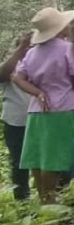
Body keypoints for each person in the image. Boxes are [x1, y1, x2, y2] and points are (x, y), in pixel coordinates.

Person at [12, 9, 74, 204]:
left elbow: (18, 78)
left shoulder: (31, 53)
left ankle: (42, 198)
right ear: (61, 28)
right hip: (63, 107)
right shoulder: (69, 49)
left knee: (37, 155)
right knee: (53, 156)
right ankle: (50, 199)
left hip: (36, 110)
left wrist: (37, 92)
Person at [1, 33, 33, 200]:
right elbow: (2, 74)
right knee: (19, 160)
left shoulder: (41, 62)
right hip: (15, 120)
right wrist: (20, 50)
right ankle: (22, 197)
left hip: (41, 118)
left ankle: (53, 193)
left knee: (45, 157)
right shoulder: (12, 65)